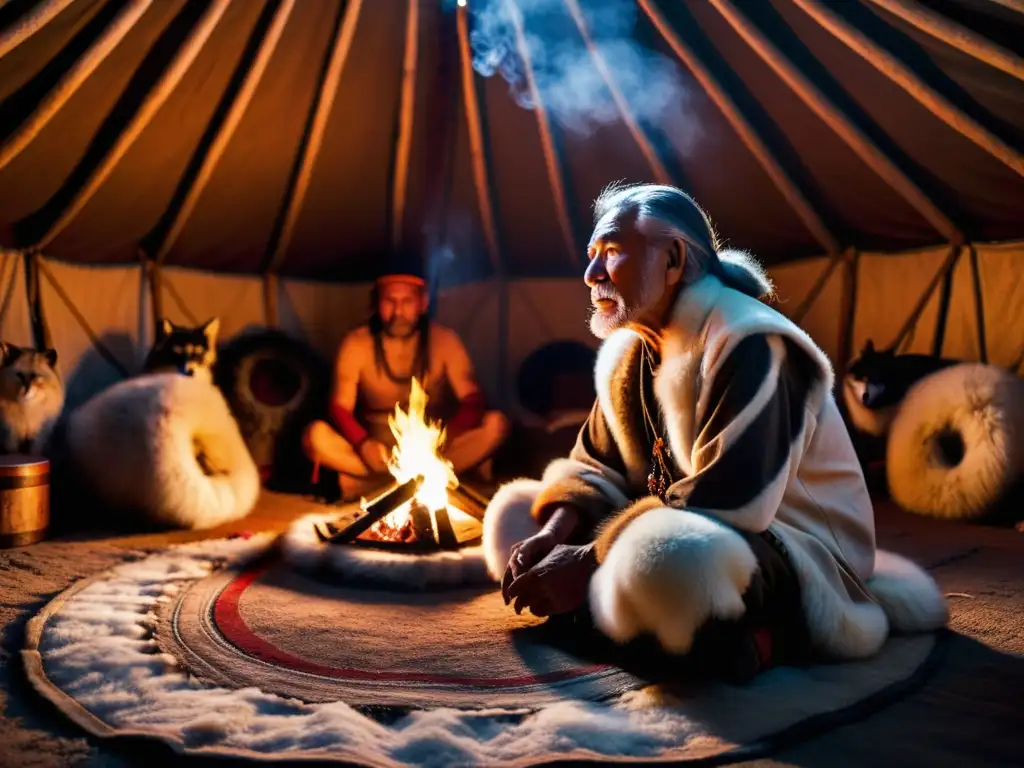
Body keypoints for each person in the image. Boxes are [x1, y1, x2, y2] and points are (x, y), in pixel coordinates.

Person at [482, 183, 946, 682]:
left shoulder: (752, 341)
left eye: (611, 253)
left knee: (668, 557)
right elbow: (594, 465)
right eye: (592, 255)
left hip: (794, 544)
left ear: (674, 259)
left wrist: (590, 557)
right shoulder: (630, 354)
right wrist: (554, 537)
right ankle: (644, 626)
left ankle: (769, 638)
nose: (592, 274)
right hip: (673, 518)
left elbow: (730, 500)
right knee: (516, 517)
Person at [303, 267, 509, 501]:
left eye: (407, 301)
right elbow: (340, 407)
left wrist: (446, 437)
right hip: (377, 454)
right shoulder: (357, 343)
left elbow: (472, 399)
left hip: (435, 449)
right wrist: (363, 444)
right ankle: (417, 482)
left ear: (423, 303)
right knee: (315, 436)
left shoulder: (444, 340)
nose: (398, 311)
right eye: (390, 301)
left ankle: (375, 486)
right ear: (376, 303)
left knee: (496, 425)